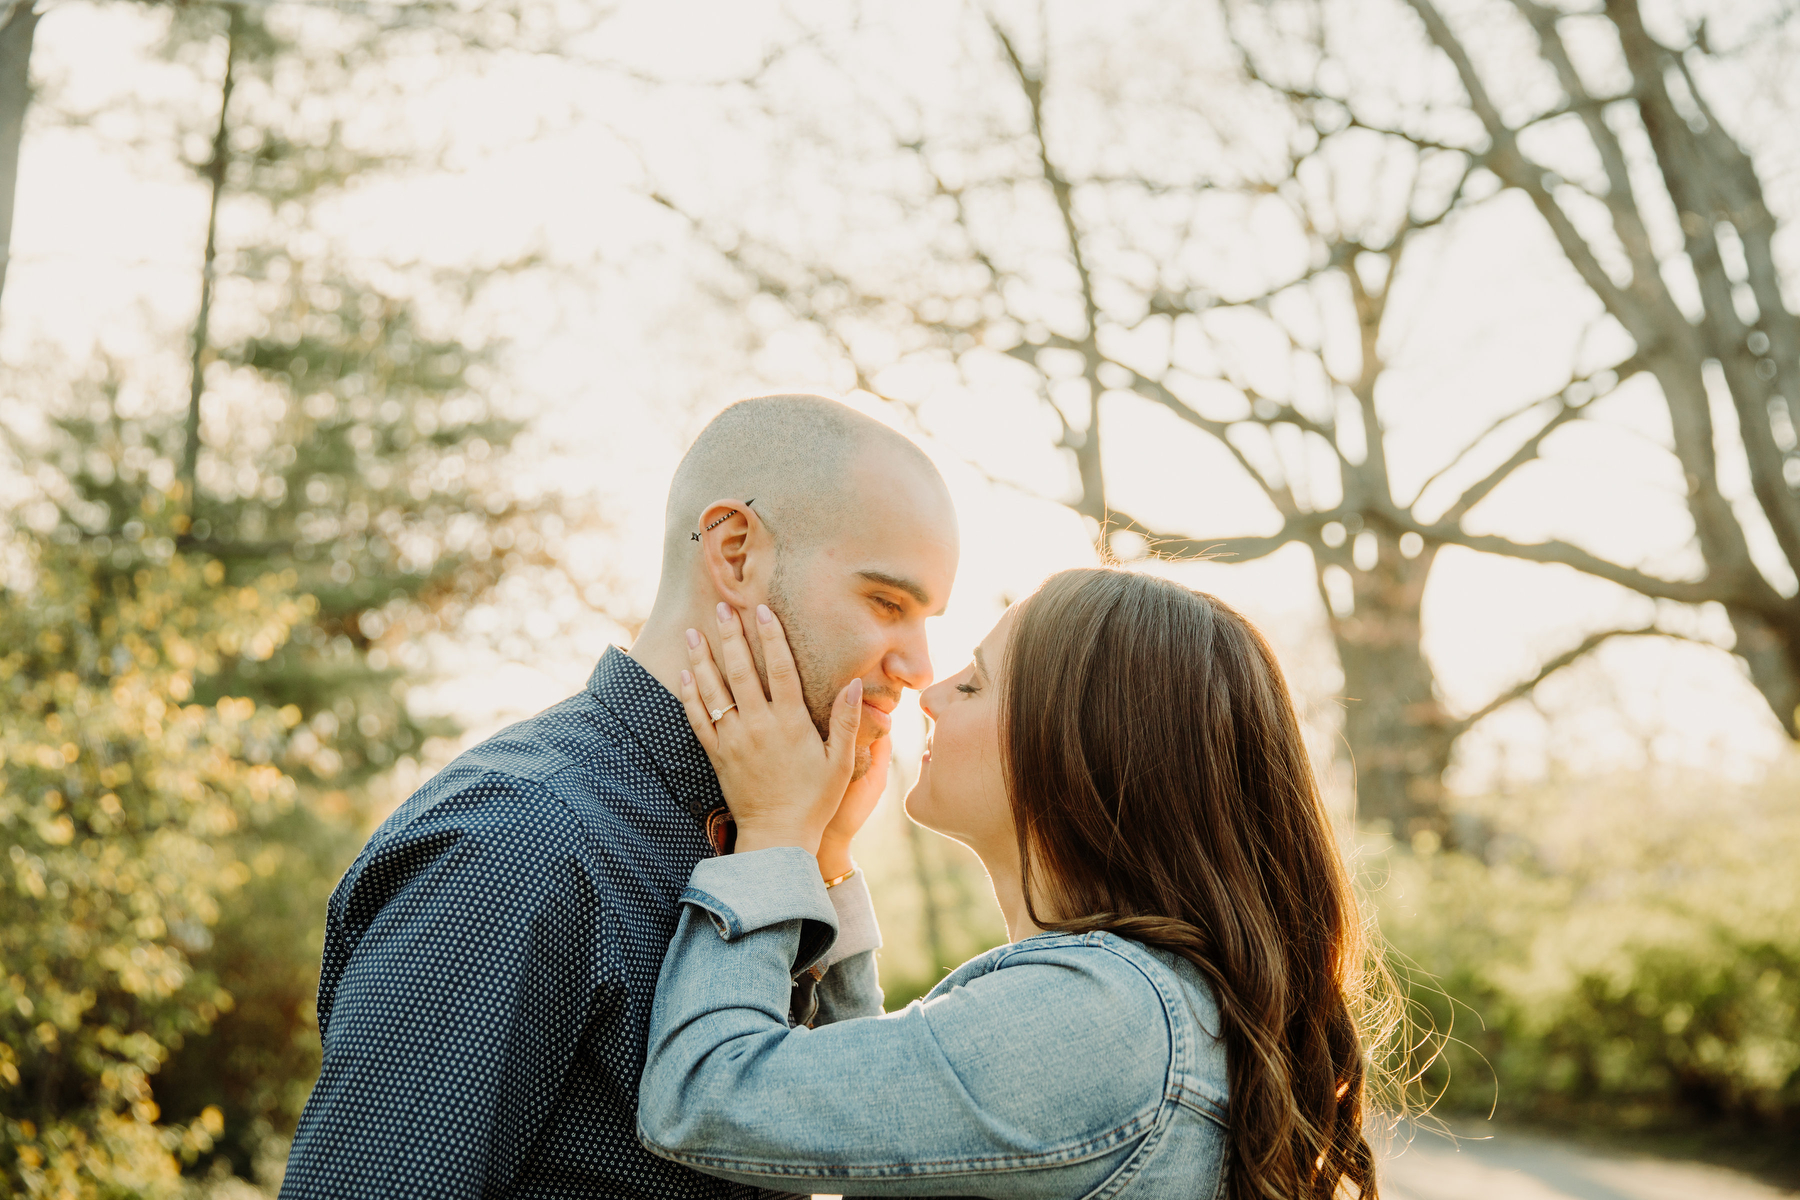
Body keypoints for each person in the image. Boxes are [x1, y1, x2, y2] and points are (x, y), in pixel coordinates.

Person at [280, 395, 960, 1199]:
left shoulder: (765, 842)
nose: (920, 666)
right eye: (887, 604)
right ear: (737, 553)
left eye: (928, 620)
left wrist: (816, 857)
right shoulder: (518, 840)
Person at [639, 567, 1388, 1199]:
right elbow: (860, 1115)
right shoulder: (1136, 1007)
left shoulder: (1105, 1017)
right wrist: (826, 854)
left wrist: (770, 831)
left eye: (973, 685)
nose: (928, 695)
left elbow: (705, 1096)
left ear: (1080, 750)